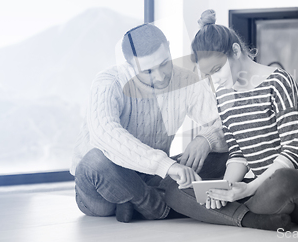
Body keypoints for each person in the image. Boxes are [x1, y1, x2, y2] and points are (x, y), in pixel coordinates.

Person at [161, 10, 298, 231]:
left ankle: (227, 213)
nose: (216, 80)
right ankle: (250, 217)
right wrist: (226, 188)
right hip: (261, 185)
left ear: (235, 51)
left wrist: (247, 189)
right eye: (209, 76)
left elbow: (293, 152)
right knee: (174, 191)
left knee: (283, 180)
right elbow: (238, 153)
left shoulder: (278, 82)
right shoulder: (223, 96)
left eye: (218, 70)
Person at [70, 23, 228, 222]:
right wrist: (166, 165)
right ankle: (157, 207)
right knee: (94, 160)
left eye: (164, 63)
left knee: (224, 151)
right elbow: (105, 134)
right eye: (148, 71)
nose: (160, 76)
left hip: (151, 176)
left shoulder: (185, 79)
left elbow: (227, 122)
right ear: (130, 65)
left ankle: (134, 201)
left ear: (169, 48)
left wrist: (207, 139)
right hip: (104, 187)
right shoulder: (109, 82)